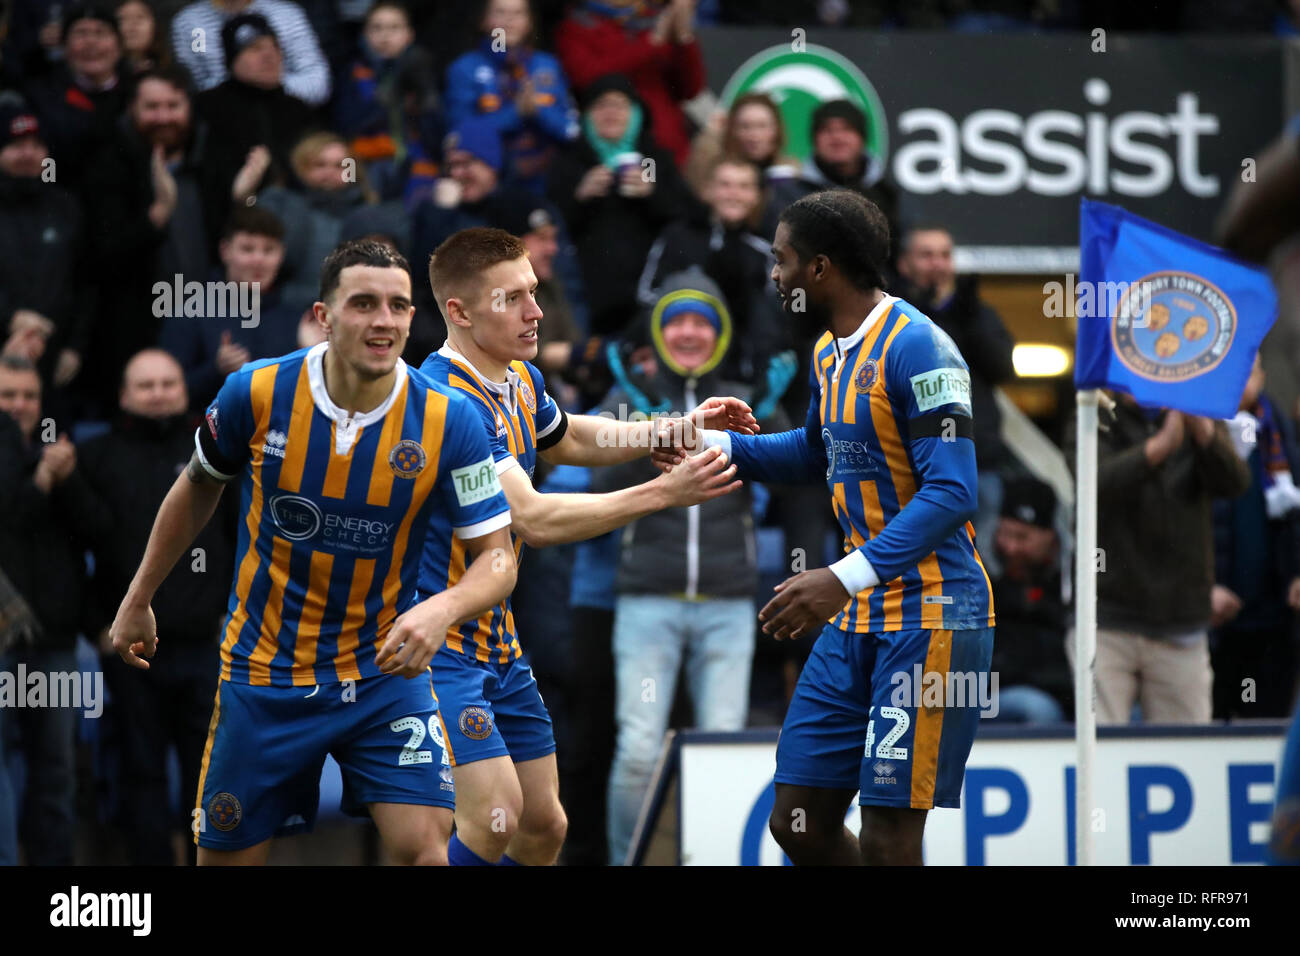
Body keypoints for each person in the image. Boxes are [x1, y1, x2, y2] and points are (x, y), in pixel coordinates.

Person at [107, 239, 518, 865]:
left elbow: (497, 558)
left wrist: (441, 610)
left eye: (399, 306)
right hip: (264, 672)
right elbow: (195, 489)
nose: (383, 320)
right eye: (363, 304)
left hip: (383, 675)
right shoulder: (256, 392)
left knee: (427, 853)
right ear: (324, 316)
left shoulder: (452, 420)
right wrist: (139, 599)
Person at [663, 190, 995, 866]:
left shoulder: (922, 349)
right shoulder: (827, 352)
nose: (774, 276)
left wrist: (842, 577)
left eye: (782, 261)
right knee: (798, 824)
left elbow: (954, 491)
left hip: (931, 616)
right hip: (859, 616)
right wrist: (718, 447)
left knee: (888, 837)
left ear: (819, 269)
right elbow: (818, 451)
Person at [418, 226, 756, 866]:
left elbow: (568, 436)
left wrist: (675, 426)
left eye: (534, 293)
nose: (536, 311)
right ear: (459, 312)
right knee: (493, 821)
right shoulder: (446, 398)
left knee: (544, 826)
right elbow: (535, 518)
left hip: (497, 635)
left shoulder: (514, 375)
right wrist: (664, 492)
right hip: (442, 639)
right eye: (511, 299)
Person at [595, 269, 792, 864]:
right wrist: (648, 431)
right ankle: (627, 859)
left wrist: (768, 415)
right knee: (637, 749)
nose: (687, 332)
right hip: (647, 599)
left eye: (701, 323)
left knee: (724, 743)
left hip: (730, 602)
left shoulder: (741, 399)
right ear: (658, 330)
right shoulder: (627, 398)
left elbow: (788, 472)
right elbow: (599, 479)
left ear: (719, 334)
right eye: (676, 320)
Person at [80, 349, 236, 865]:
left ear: (184, 388)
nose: (159, 393)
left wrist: (229, 609)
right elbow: (73, 545)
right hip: (128, 650)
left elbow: (242, 535)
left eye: (168, 383)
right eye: (145, 385)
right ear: (124, 395)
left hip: (202, 645)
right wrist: (95, 627)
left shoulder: (213, 455)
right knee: (138, 773)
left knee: (208, 773)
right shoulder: (97, 456)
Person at [1066, 395, 1249, 724]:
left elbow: (1236, 483)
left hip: (1180, 623)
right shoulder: (1094, 411)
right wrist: (1159, 448)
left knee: (1186, 749)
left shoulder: (1197, 411)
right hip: (1105, 620)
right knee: (1099, 750)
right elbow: (1092, 482)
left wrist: (1204, 431)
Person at [0, 355, 112, 865]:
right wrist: (42, 478)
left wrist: (63, 479)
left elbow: (100, 531)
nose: (19, 406)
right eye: (8, 396)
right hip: (2, 641)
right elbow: (13, 521)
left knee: (57, 772)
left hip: (56, 643)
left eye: (28, 396)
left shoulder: (61, 451)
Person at [80, 65, 215, 411]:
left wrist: (243, 197)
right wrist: (156, 216)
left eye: (173, 106)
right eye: (152, 107)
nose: (163, 117)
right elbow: (98, 255)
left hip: (208, 313)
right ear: (132, 109)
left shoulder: (213, 160)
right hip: (133, 323)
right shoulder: (106, 165)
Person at [894, 225, 1017, 562]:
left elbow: (1005, 369)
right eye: (926, 254)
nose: (937, 263)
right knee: (912, 564)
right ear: (905, 264)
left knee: (979, 562)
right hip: (908, 467)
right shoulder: (890, 315)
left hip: (977, 463)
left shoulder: (978, 312)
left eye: (945, 255)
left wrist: (968, 315)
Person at [547, 73, 694, 337]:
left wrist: (652, 194)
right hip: (584, 298)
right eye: (601, 105)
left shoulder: (656, 160)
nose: (610, 113)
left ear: (636, 114)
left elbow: (688, 219)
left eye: (620, 105)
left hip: (649, 296)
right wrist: (579, 197)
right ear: (586, 116)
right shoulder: (568, 162)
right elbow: (548, 226)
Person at [638, 156, 786, 381]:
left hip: (736, 376)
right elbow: (648, 294)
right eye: (725, 185)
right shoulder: (677, 236)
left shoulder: (764, 253)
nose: (733, 193)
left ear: (757, 196)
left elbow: (770, 322)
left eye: (744, 186)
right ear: (708, 190)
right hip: (675, 367)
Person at [1211, 354, 1300, 719]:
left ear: (1262, 377)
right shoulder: (1196, 429)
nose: (1243, 380)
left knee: (1265, 721)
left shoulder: (1279, 431)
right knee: (1212, 724)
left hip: (1273, 615)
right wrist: (1203, 586)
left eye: (1250, 371)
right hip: (1214, 614)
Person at [160, 206, 302, 412]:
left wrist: (312, 356)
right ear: (225, 251)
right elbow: (162, 394)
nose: (258, 260)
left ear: (281, 255)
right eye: (247, 249)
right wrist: (216, 369)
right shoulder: (192, 312)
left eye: (269, 250)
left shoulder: (295, 318)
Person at [0, 101, 92, 415]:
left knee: (55, 447)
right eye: (15, 145)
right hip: (4, 348)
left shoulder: (66, 207)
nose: (27, 153)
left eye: (35, 145)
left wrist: (75, 347)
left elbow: (85, 281)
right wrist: (9, 316)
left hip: (55, 363)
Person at [194, 12, 316, 245]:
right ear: (232, 58)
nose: (269, 55)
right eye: (255, 48)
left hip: (295, 223)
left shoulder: (298, 110)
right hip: (224, 228)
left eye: (274, 47)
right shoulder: (208, 107)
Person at [445, 0, 578, 195]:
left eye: (518, 13)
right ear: (484, 20)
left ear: (529, 22)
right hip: (490, 184)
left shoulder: (547, 65)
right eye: (500, 12)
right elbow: (460, 134)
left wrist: (539, 111)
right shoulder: (465, 68)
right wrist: (516, 113)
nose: (509, 21)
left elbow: (571, 130)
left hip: (547, 180)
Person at [555, 0, 704, 166]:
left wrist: (684, 37)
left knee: (658, 188)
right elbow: (588, 78)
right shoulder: (576, 26)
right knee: (631, 187)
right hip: (608, 152)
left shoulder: (657, 19)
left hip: (665, 149)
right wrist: (651, 43)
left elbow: (691, 89)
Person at [334, 1, 442, 207]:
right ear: (365, 34)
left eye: (394, 28)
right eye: (377, 28)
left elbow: (437, 139)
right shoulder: (352, 72)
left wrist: (425, 97)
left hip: (417, 167)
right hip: (367, 165)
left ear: (409, 34)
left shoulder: (423, 69)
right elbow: (346, 126)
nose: (385, 36)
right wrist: (385, 96)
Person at [770, 100, 899, 258]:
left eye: (847, 129)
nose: (837, 137)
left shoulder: (888, 193)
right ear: (814, 139)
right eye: (827, 130)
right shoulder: (790, 195)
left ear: (862, 138)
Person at [988, 476, 1070, 723]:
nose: (1011, 548)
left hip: (1061, 693)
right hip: (991, 695)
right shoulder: (984, 588)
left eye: (1022, 538)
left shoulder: (1069, 592)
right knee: (1037, 709)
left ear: (1051, 539)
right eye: (1005, 534)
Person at [21, 3, 129, 189]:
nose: (91, 42)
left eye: (101, 33)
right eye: (80, 33)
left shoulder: (138, 93)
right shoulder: (41, 98)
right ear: (64, 47)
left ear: (119, 46)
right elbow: (46, 168)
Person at [171, 0, 331, 105]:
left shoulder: (287, 16)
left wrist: (266, 88)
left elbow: (318, 83)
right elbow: (194, 89)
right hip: (224, 123)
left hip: (287, 116)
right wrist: (240, 88)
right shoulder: (193, 27)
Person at [684, 90, 799, 229]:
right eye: (745, 126)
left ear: (776, 130)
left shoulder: (789, 172)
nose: (754, 136)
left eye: (762, 126)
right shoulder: (712, 165)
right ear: (732, 130)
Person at [115, 0, 172, 73]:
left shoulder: (171, 74)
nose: (131, 25)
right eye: (122, 19)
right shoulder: (106, 74)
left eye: (140, 17)